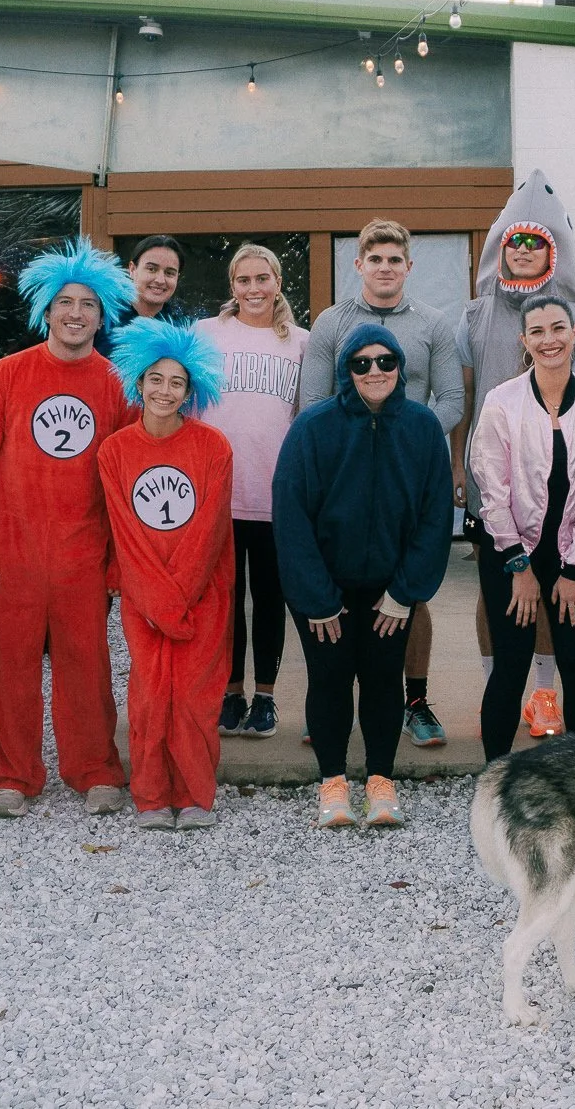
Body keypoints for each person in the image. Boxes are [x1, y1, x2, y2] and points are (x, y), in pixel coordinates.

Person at [0, 236, 134, 820]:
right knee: (8, 664)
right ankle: (11, 774)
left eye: (88, 304)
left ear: (102, 316)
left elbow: (126, 476)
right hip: (10, 550)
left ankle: (94, 769)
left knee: (87, 663)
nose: (75, 313)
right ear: (46, 309)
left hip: (83, 549)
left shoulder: (116, 384)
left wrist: (115, 562)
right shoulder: (6, 376)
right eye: (65, 302)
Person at [276, 325, 453, 827]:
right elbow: (291, 516)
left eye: (385, 361)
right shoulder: (312, 427)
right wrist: (317, 598)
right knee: (329, 679)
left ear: (400, 367)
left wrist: (405, 593)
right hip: (324, 586)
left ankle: (381, 781)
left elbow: (435, 517)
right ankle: (331, 781)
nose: (374, 371)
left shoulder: (421, 428)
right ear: (344, 370)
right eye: (361, 363)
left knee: (381, 680)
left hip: (389, 588)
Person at [299, 219, 464, 750]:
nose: (386, 268)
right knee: (341, 584)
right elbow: (312, 402)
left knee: (408, 588)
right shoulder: (331, 322)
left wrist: (404, 438)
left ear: (408, 267)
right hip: (344, 474)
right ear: (359, 265)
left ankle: (413, 701)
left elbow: (452, 401)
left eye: (395, 260)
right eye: (376, 260)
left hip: (409, 473)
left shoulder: (435, 323)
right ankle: (330, 704)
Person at [455, 171, 575, 737]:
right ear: (500, 248)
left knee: (550, 589)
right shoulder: (473, 315)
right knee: (494, 589)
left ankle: (544, 693)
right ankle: (501, 681)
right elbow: (466, 398)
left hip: (561, 483)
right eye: (513, 241)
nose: (522, 250)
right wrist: (458, 467)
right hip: (493, 482)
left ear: (552, 250)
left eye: (535, 242)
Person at [469, 294, 575, 760]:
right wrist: (519, 565)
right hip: (510, 552)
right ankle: (495, 780)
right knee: (511, 665)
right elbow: (491, 488)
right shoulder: (502, 402)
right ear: (524, 341)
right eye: (537, 332)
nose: (549, 339)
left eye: (558, 328)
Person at [99, 319, 233, 830]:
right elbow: (125, 533)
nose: (165, 390)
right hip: (143, 596)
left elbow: (210, 530)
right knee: (151, 693)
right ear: (138, 383)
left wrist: (181, 595)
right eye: (155, 379)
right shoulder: (114, 451)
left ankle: (195, 792)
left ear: (189, 391)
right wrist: (157, 598)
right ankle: (151, 794)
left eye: (176, 382)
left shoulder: (213, 445)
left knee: (197, 695)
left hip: (203, 595)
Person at [196, 244, 308, 740]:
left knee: (268, 598)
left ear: (278, 281)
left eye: (263, 278)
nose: (254, 289)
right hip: (217, 492)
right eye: (244, 280)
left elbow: (307, 419)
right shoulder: (206, 334)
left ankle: (265, 697)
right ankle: (230, 692)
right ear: (232, 285)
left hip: (274, 494)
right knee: (224, 599)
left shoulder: (301, 342)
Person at [120, 235, 187, 325]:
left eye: (169, 273)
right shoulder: (105, 321)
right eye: (151, 269)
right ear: (132, 269)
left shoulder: (184, 330)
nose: (160, 280)